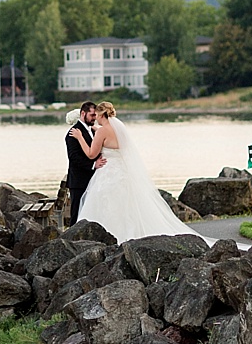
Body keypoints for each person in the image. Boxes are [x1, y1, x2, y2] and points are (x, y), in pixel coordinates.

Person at [68, 100, 197, 244]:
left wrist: (80, 137)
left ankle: (107, 237)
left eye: (97, 114)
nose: (95, 118)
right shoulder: (117, 129)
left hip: (108, 172)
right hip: (121, 171)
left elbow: (91, 154)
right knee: (125, 204)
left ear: (102, 114)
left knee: (107, 204)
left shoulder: (102, 131)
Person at [65, 101, 107, 224]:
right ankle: (72, 240)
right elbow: (74, 158)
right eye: (92, 115)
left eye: (96, 115)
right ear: (83, 113)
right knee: (77, 213)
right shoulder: (73, 133)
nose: (95, 118)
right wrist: (93, 165)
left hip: (93, 179)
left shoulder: (93, 130)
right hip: (79, 181)